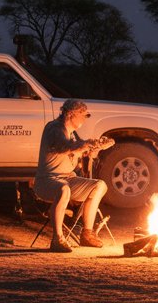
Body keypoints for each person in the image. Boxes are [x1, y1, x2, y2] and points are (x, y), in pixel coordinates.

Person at [34, 98, 113, 253]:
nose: (85, 118)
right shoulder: (54, 128)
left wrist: (95, 148)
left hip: (67, 178)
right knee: (63, 190)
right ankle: (57, 239)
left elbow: (77, 150)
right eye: (83, 114)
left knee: (99, 185)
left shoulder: (72, 133)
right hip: (47, 180)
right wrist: (86, 145)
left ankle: (87, 233)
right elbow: (65, 147)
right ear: (71, 114)